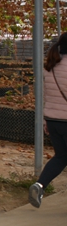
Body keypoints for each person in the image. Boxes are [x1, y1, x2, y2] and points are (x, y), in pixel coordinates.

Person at [29, 33, 67, 208]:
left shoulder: (50, 66)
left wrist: (46, 121)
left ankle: (40, 185)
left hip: (53, 121)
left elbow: (47, 96)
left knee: (61, 157)